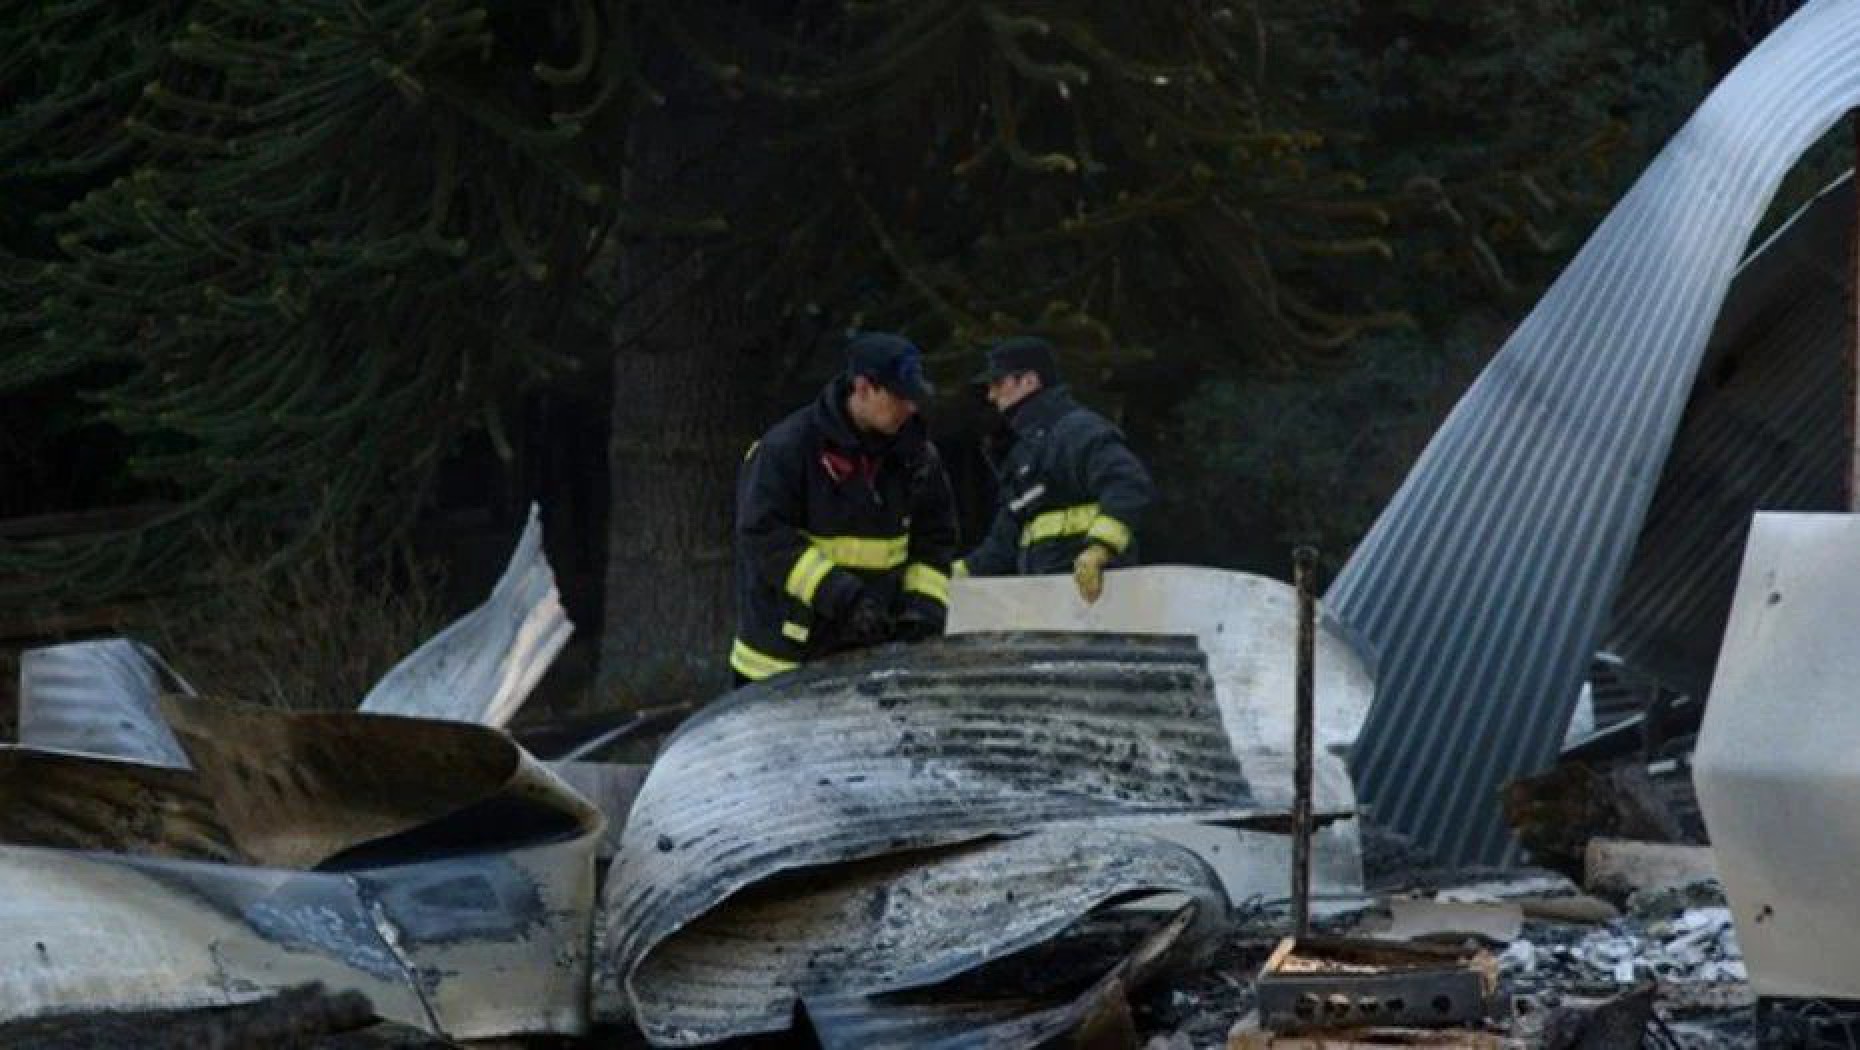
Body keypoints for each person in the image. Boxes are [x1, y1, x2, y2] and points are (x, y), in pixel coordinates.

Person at [729, 332, 959, 685]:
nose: (911, 408)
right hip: (781, 666)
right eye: (899, 397)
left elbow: (934, 540)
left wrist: (923, 608)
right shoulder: (787, 449)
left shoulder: (918, 458)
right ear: (863, 388)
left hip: (871, 658)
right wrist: (841, 596)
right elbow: (764, 536)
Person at [956, 336, 1154, 603]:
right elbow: (1006, 537)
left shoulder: (1076, 431)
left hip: (1098, 599)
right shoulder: (1024, 451)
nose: (991, 395)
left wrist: (1100, 549)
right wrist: (958, 574)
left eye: (998, 383)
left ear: (1029, 381)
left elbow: (1129, 484)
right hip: (1048, 599)